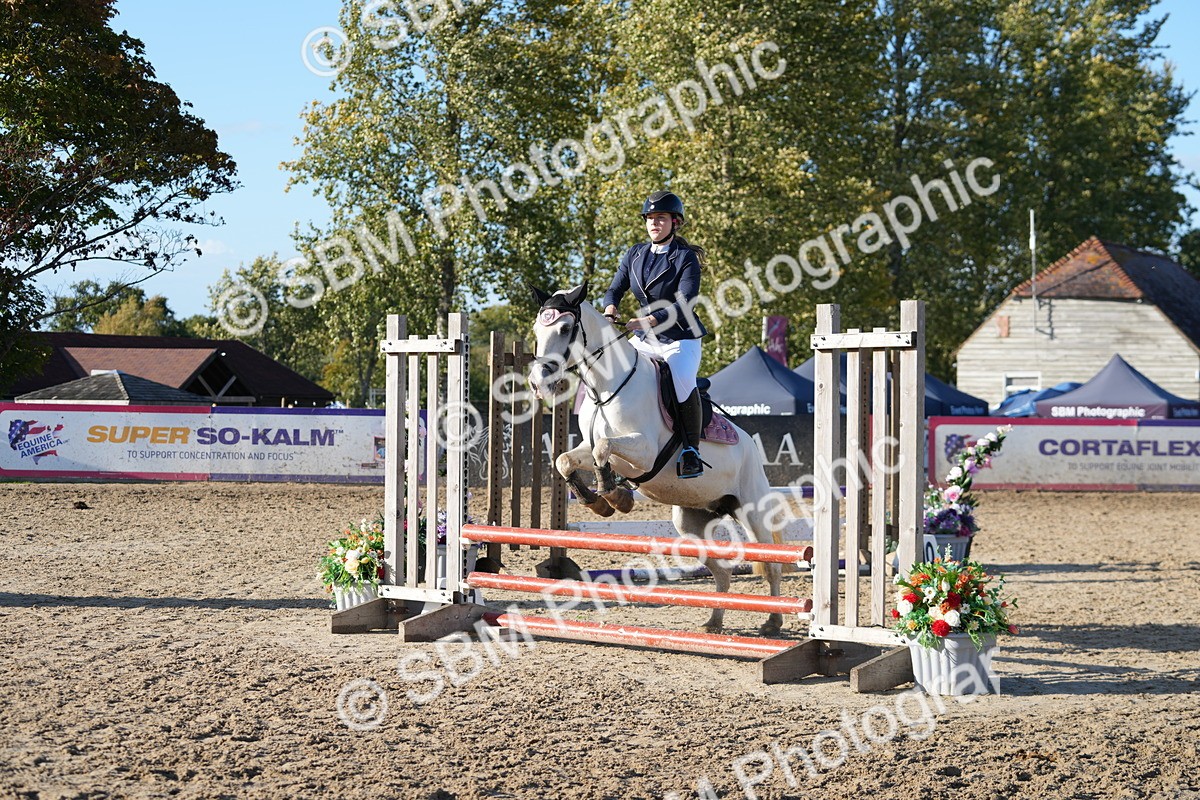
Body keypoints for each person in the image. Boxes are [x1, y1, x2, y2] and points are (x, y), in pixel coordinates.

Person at [601, 190, 710, 478]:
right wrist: (610, 306)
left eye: (660, 218)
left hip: (679, 338)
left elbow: (685, 301)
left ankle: (691, 450)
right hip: (646, 339)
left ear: (675, 222)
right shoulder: (635, 254)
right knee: (615, 371)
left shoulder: (685, 258)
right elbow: (615, 288)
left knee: (682, 380)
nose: (653, 224)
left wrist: (650, 318)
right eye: (650, 218)